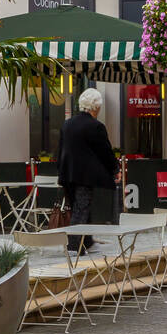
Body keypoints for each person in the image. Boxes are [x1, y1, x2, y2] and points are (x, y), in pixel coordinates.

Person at [57, 88, 119, 253]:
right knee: (81, 208)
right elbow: (105, 151)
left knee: (80, 207)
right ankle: (74, 246)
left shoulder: (68, 124)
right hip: (84, 176)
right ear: (96, 107)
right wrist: (115, 170)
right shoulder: (96, 126)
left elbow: (61, 149)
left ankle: (88, 242)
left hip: (67, 174)